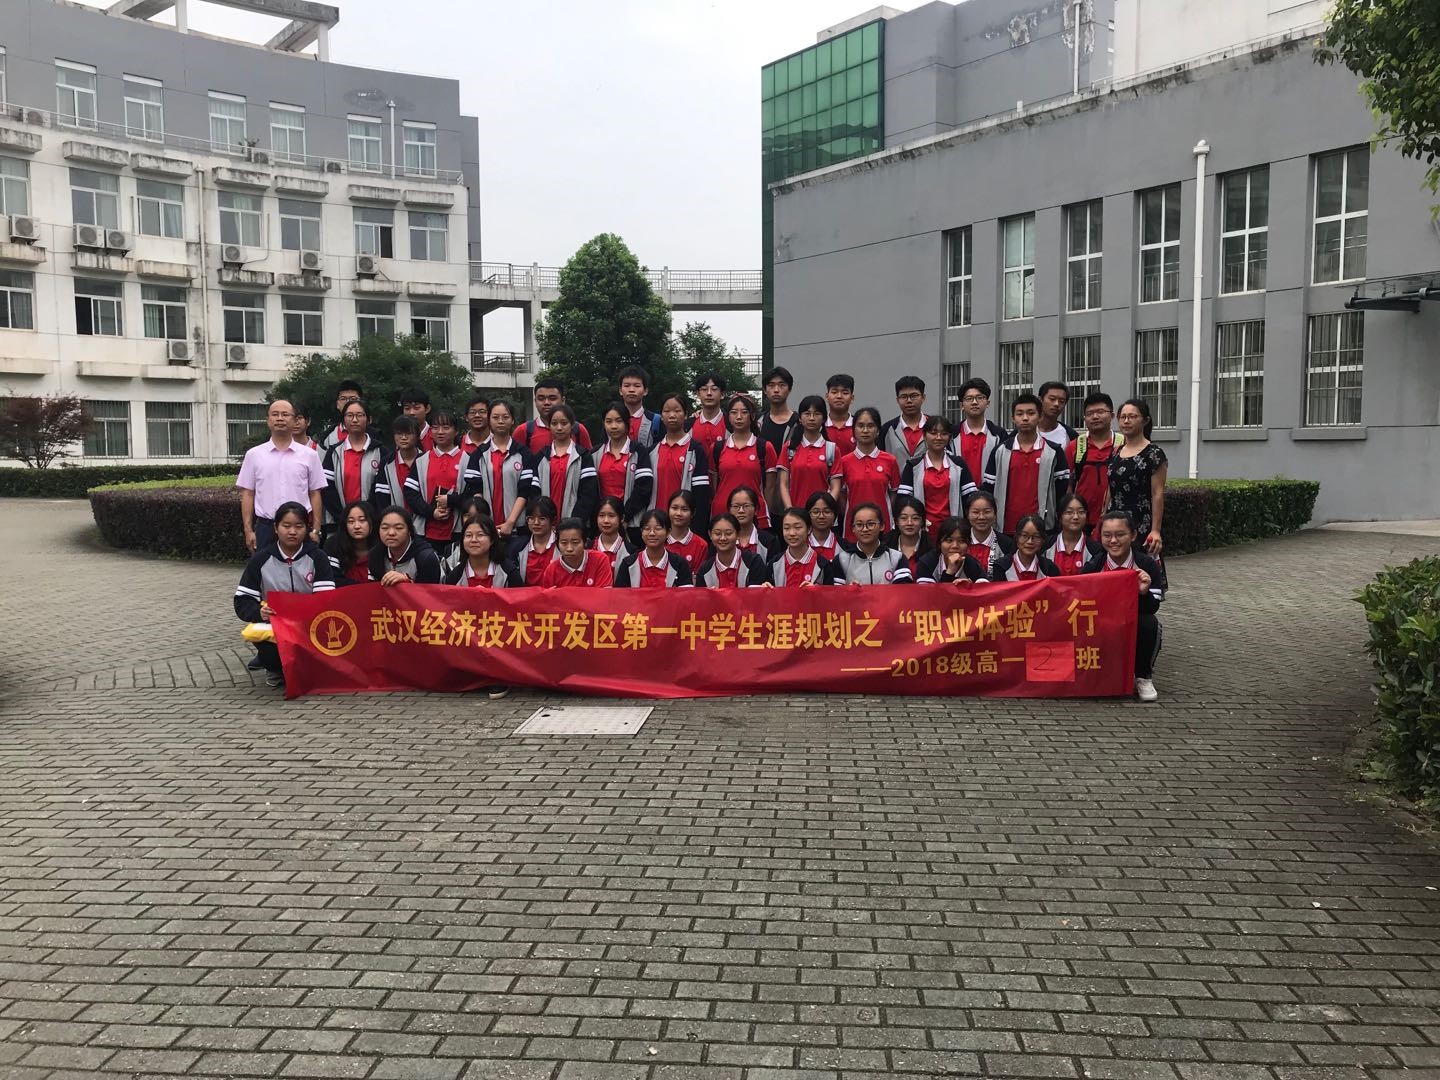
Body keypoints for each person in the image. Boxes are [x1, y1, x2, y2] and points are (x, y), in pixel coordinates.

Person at [234, 501, 336, 687]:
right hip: (275, 625)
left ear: (307, 528)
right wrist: (258, 612)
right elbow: (243, 600)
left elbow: (326, 599)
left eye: (299, 526)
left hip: (311, 625)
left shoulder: (318, 557)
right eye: (286, 526)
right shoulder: (261, 559)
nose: (292, 531)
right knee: (269, 650)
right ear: (275, 528)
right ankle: (274, 668)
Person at [1084, 509, 1167, 702]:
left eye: (1120, 535)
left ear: (1133, 535)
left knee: (1150, 624)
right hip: (1101, 622)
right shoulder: (1093, 566)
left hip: (1132, 621)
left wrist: (1143, 593)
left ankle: (1143, 677)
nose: (1113, 541)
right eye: (1107, 535)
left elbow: (1152, 608)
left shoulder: (1147, 565)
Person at [237, 399, 326, 554]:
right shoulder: (254, 455)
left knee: (302, 568)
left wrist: (316, 530)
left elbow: (315, 493)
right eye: (275, 414)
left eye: (285, 414)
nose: (280, 418)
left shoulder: (310, 455)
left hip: (299, 527)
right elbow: (248, 494)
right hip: (266, 528)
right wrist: (248, 530)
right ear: (268, 420)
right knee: (264, 568)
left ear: (294, 420)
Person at [985, 393, 1069, 535]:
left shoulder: (1054, 451)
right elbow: (989, 488)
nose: (1025, 418)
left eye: (1031, 413)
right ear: (1013, 418)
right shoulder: (1000, 451)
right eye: (1019, 414)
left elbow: (1061, 489)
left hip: (1043, 528)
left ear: (1040, 416)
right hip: (1006, 528)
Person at [897, 415, 978, 540]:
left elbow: (970, 499)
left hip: (954, 531)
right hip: (921, 531)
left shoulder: (959, 464)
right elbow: (903, 501)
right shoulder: (913, 466)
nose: (938, 437)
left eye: (944, 433)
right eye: (933, 433)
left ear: (949, 437)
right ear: (924, 436)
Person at [462, 399, 532, 541]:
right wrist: (484, 522)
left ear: (512, 420)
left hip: (517, 528)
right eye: (495, 417)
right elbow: (475, 491)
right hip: (486, 529)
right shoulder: (479, 454)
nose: (500, 421)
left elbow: (525, 491)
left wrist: (510, 523)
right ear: (489, 420)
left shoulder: (524, 453)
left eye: (505, 417)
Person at [403, 407, 467, 561]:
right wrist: (431, 512)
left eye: (446, 427)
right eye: (435, 428)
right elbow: (411, 493)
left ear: (456, 431)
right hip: (425, 532)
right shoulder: (422, 460)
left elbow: (473, 494)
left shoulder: (468, 459)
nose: (440, 432)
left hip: (458, 531)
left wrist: (451, 500)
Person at [1109, 398, 1167, 556]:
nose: (1126, 421)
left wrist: (1155, 530)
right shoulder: (1115, 452)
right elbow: (1110, 489)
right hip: (1115, 522)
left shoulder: (1154, 453)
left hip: (1141, 523)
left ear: (1145, 420)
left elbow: (1157, 493)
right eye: (1123, 417)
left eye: (1132, 417)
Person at [711, 394, 778, 532]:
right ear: (728, 416)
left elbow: (770, 487)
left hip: (756, 515)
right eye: (734, 412)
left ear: (752, 416)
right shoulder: (717, 448)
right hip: (722, 514)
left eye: (744, 412)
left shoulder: (764, 447)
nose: (739, 417)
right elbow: (713, 485)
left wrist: (765, 511)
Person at [320, 399, 385, 540]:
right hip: (338, 524)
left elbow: (382, 491)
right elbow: (327, 488)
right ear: (343, 420)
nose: (354, 420)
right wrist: (344, 518)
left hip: (372, 525)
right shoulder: (334, 452)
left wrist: (367, 516)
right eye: (349, 415)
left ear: (369, 419)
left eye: (359, 415)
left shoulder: (380, 451)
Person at [834, 406, 901, 541]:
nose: (865, 430)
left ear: (878, 430)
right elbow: (841, 495)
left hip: (883, 528)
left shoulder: (890, 460)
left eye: (870, 426)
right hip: (853, 529)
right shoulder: (844, 461)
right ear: (853, 430)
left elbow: (894, 493)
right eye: (860, 426)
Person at [531, 403, 598, 527]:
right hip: (545, 526)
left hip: (574, 525)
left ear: (572, 425)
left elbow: (588, 494)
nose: (559, 428)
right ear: (549, 426)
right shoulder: (541, 457)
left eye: (564, 423)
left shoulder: (583, 456)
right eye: (554, 423)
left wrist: (574, 522)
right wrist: (544, 519)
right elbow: (534, 493)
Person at [650, 393, 711, 528]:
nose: (672, 415)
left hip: (684, 526)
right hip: (657, 526)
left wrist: (698, 527)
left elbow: (701, 494)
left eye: (677, 411)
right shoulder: (652, 451)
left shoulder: (695, 450)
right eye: (667, 411)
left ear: (685, 414)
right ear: (661, 416)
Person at [1066, 392, 1122, 534]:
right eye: (1090, 413)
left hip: (1117, 519)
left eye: (1101, 412)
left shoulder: (1124, 444)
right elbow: (1067, 484)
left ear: (1112, 415)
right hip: (1082, 520)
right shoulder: (1074, 446)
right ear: (1084, 418)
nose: (1095, 417)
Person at [595, 402, 655, 531]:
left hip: (632, 523)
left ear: (627, 423)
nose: (614, 426)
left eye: (619, 421)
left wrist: (625, 516)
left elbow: (644, 488)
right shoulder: (595, 453)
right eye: (609, 421)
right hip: (603, 523)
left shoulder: (638, 451)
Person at [777, 395, 838, 511]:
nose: (812, 418)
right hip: (796, 513)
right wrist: (790, 510)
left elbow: (835, 487)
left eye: (817, 414)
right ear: (800, 418)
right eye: (807, 414)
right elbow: (783, 484)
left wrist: (826, 509)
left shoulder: (831, 449)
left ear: (824, 418)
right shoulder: (789, 448)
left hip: (822, 515)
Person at [833, 503, 912, 585]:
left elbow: (904, 591)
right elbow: (837, 592)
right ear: (853, 528)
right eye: (859, 525)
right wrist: (848, 590)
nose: (865, 529)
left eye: (870, 524)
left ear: (882, 526)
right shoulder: (842, 560)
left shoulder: (896, 558)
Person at [614, 509, 694, 587]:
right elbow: (620, 594)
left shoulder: (680, 564)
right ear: (641, 532)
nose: (652, 533)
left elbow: (686, 594)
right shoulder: (628, 564)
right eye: (647, 529)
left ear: (668, 532)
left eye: (658, 528)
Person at [950, 377, 1006, 487]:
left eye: (980, 397)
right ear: (961, 405)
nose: (974, 402)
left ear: (988, 403)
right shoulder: (951, 435)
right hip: (958, 494)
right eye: (969, 398)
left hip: (990, 494)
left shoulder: (999, 435)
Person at [369, 505, 442, 585]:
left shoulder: (426, 558)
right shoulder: (375, 554)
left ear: (409, 530)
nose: (391, 533)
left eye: (399, 528)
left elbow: (431, 591)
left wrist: (408, 582)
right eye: (385, 528)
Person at [516, 378, 593, 453]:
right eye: (541, 399)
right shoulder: (523, 431)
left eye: (552, 398)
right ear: (535, 401)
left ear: (563, 401)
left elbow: (588, 457)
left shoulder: (578, 429)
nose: (546, 403)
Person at [443, 516, 521, 589]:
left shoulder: (509, 571)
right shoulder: (456, 576)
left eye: (480, 535)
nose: (474, 540)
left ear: (492, 540)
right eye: (468, 535)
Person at [767, 506, 838, 586]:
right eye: (786, 528)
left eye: (797, 527)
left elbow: (830, 592)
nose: (792, 533)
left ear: (809, 529)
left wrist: (817, 591)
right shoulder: (774, 564)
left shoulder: (823, 565)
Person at [695, 513, 771, 587]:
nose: (723, 538)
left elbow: (757, 593)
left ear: (738, 534)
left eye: (728, 533)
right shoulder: (704, 570)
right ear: (710, 535)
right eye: (717, 533)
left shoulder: (754, 562)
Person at [539, 518, 614, 587]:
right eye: (564, 543)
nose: (569, 549)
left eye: (575, 543)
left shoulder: (600, 560)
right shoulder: (551, 571)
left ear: (585, 542)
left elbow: (604, 594)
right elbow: (548, 596)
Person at [915, 516, 986, 584]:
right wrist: (950, 572)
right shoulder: (926, 563)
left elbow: (985, 589)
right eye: (949, 540)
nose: (955, 546)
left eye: (961, 541)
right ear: (939, 543)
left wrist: (970, 588)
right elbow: (926, 592)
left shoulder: (973, 565)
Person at [991, 514, 1063, 581]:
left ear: (1043, 540)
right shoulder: (1001, 567)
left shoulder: (1049, 568)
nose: (1030, 542)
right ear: (1017, 537)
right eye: (1025, 536)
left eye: (1036, 536)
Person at [1046, 493, 1102, 576]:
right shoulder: (1046, 546)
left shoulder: (1096, 550)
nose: (1075, 517)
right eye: (1069, 512)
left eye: (1081, 512)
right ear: (1059, 517)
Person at [962, 490, 1015, 579]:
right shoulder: (959, 541)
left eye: (987, 512)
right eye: (975, 512)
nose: (981, 517)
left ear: (995, 514)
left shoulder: (1007, 544)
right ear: (967, 514)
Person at [324, 500, 378, 586]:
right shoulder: (333, 545)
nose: (357, 526)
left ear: (372, 521)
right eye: (351, 521)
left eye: (362, 520)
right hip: (344, 592)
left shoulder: (382, 545)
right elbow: (332, 578)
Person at [508, 496, 559, 586]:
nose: (536, 523)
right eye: (531, 518)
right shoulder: (518, 547)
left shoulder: (562, 545)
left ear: (552, 520)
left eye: (542, 518)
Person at [374, 415, 420, 510]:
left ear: (417, 436)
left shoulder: (426, 460)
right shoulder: (386, 463)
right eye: (399, 433)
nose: (403, 437)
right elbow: (381, 498)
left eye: (408, 433)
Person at [880, 376, 929, 463]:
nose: (909, 400)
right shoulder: (887, 429)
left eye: (914, 396)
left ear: (923, 397)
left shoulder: (934, 427)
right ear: (897, 400)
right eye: (904, 396)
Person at [888, 496, 934, 581]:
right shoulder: (886, 549)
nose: (909, 523)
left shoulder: (932, 550)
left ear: (922, 521)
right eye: (903, 518)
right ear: (896, 521)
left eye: (915, 518)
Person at [617, 365, 664, 448]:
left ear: (645, 391)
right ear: (620, 390)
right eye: (627, 386)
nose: (631, 390)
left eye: (637, 386)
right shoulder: (611, 420)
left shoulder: (656, 421)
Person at [665, 491, 708, 575]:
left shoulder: (701, 545)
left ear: (693, 513)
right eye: (674, 508)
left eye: (684, 509)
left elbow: (698, 577)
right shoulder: (659, 539)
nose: (678, 513)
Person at [728, 487, 775, 560]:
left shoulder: (769, 541)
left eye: (746, 506)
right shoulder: (721, 540)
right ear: (729, 510)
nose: (741, 511)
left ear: (756, 510)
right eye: (736, 506)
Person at [759, 365, 796, 456]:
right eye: (771, 385)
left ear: (790, 389)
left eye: (782, 385)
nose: (776, 390)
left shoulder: (798, 423)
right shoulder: (758, 422)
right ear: (764, 390)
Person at [688, 370, 728, 450]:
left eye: (714, 389)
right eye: (704, 389)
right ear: (698, 394)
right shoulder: (688, 425)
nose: (709, 393)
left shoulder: (731, 424)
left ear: (722, 394)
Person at [590, 496, 634, 569]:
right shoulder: (587, 548)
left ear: (622, 518)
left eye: (611, 516)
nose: (606, 520)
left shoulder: (631, 551)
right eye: (601, 515)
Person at [321, 380, 363, 449]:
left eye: (353, 399)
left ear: (361, 403)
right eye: (343, 399)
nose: (348, 402)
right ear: (337, 404)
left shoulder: (374, 435)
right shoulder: (327, 436)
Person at [1036, 380, 1076, 450]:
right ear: (1040, 400)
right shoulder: (1022, 432)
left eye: (1061, 401)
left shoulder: (1071, 435)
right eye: (1052, 399)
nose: (1056, 404)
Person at [823, 373, 857, 456]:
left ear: (852, 398)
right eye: (834, 392)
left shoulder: (859, 426)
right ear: (827, 397)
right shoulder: (818, 425)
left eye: (845, 393)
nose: (839, 396)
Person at [805, 491, 841, 561]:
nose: (821, 516)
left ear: (835, 515)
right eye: (815, 512)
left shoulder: (845, 548)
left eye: (827, 511)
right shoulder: (799, 545)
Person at [399, 386, 436, 453]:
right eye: (407, 408)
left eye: (416, 408)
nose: (411, 413)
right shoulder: (398, 436)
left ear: (427, 409)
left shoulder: (436, 436)